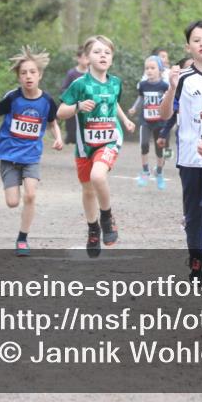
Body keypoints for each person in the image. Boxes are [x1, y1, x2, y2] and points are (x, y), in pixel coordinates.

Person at [0, 46, 63, 256]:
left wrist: (58, 137)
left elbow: (53, 122)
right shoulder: (12, 98)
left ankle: (22, 239)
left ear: (40, 75)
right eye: (23, 73)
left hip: (31, 157)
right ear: (18, 77)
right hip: (9, 156)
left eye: (32, 72)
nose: (28, 76)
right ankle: (14, 185)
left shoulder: (46, 100)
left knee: (30, 195)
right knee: (12, 202)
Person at [57, 35, 136, 258]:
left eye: (107, 52)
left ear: (112, 58)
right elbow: (60, 112)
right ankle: (93, 229)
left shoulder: (115, 83)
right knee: (87, 189)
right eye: (97, 52)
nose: (102, 55)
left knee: (98, 176)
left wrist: (124, 120)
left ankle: (107, 217)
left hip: (110, 138)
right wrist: (78, 107)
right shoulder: (79, 84)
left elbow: (113, 103)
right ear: (87, 57)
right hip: (85, 145)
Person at [160, 22, 202, 280]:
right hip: (188, 156)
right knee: (194, 211)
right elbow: (164, 114)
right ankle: (196, 260)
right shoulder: (182, 78)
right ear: (189, 46)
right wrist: (171, 87)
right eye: (197, 40)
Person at [128, 55, 169, 189]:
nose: (149, 70)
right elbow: (140, 98)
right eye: (147, 68)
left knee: (159, 149)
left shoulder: (164, 85)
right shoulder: (143, 85)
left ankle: (159, 172)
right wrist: (134, 107)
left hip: (160, 122)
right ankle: (145, 171)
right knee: (144, 145)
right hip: (146, 121)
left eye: (152, 68)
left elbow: (169, 101)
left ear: (160, 69)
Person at [60, 45, 88, 146]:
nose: (87, 60)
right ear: (78, 58)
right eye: (84, 57)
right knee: (71, 125)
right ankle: (70, 138)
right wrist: (72, 98)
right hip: (74, 105)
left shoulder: (91, 73)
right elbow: (64, 89)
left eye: (88, 57)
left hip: (87, 107)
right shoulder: (72, 73)